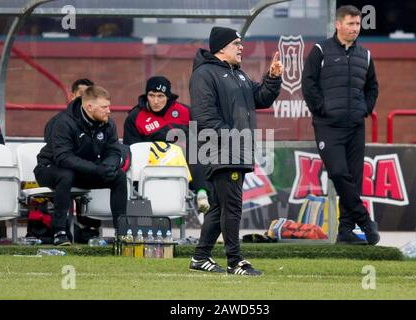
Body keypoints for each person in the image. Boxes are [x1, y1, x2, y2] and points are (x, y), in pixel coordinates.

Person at [188, 26, 283, 275]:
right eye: (236, 44)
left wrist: (272, 79)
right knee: (232, 207)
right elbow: (204, 117)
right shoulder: (205, 74)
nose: (242, 48)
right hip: (220, 150)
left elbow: (260, 98)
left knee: (220, 206)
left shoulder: (238, 75)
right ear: (221, 47)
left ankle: (200, 257)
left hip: (237, 150)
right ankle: (235, 261)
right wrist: (234, 139)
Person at [301, 5, 380, 245]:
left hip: (355, 126)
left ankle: (346, 230)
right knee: (338, 172)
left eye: (357, 24)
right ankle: (365, 221)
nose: (355, 29)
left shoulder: (365, 55)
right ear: (338, 24)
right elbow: (308, 84)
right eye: (350, 24)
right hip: (328, 126)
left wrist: (363, 109)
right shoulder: (320, 51)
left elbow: (372, 87)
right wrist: (322, 110)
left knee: (354, 178)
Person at [34, 85, 127, 246]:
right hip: (49, 168)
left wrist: (109, 166)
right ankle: (59, 232)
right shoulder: (64, 122)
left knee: (119, 176)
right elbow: (63, 158)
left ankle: (122, 233)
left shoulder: (108, 124)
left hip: (82, 171)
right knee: (66, 174)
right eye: (104, 107)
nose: (109, 111)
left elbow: (114, 150)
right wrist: (96, 169)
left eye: (108, 106)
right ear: (89, 107)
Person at [123, 76, 210, 213]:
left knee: (194, 150)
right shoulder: (135, 117)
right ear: (147, 96)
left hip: (183, 164)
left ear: (168, 97)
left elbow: (202, 138)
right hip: (150, 165)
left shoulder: (185, 112)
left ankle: (201, 193)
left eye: (160, 96)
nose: (156, 101)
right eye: (151, 96)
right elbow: (132, 149)